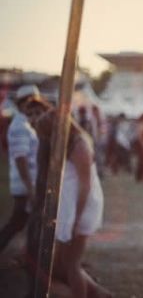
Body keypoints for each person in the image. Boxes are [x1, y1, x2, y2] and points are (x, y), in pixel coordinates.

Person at [23, 98, 112, 298]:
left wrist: (76, 219)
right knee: (62, 263)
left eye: (48, 133)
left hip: (82, 206)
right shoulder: (69, 143)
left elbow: (85, 185)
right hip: (72, 206)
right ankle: (100, 294)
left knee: (71, 263)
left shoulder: (79, 145)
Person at [0, 85, 40, 254]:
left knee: (23, 222)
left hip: (26, 182)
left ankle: (32, 256)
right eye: (31, 102)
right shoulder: (20, 126)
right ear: (23, 103)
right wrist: (31, 189)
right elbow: (20, 159)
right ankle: (32, 258)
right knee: (20, 222)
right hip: (24, 184)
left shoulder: (25, 124)